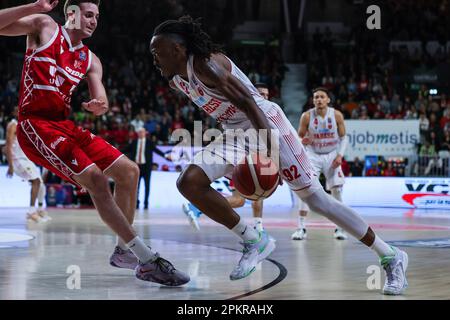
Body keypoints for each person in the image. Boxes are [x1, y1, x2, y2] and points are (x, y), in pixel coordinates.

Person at [150, 16, 408, 294]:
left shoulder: (206, 65)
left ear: (177, 50)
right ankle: (254, 240)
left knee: (317, 200)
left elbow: (250, 104)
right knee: (189, 182)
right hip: (236, 131)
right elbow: (223, 109)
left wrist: (269, 153)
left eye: (157, 52)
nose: (154, 59)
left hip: (266, 123)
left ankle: (390, 255)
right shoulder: (177, 79)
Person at [0, 0, 188, 286]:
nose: (94, 21)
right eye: (89, 14)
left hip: (65, 126)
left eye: (97, 16)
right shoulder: (44, 26)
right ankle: (147, 259)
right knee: (96, 180)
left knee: (129, 172)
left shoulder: (91, 59)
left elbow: (101, 96)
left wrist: (100, 104)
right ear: (71, 14)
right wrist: (34, 6)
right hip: (35, 125)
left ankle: (124, 252)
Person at [182, 83, 270, 232]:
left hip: (244, 155)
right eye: (261, 94)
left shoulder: (265, 111)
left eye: (267, 95)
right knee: (258, 192)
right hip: (240, 155)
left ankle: (195, 208)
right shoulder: (247, 109)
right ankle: (259, 229)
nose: (264, 97)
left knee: (240, 200)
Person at [292, 88, 348, 241]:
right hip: (313, 155)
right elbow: (299, 137)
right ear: (313, 100)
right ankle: (301, 228)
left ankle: (340, 228)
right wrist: (302, 142)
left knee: (336, 191)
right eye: (316, 97)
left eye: (322, 97)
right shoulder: (307, 116)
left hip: (331, 155)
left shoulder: (336, 115)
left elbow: (344, 138)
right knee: (305, 189)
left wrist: (340, 155)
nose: (319, 100)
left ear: (328, 100)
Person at [5, 108, 51, 223]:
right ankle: (31, 212)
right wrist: (10, 166)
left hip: (26, 159)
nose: (20, 112)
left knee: (41, 185)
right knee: (35, 180)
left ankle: (40, 209)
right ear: (14, 113)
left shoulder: (25, 126)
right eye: (17, 111)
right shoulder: (13, 125)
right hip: (17, 160)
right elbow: (8, 147)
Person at [129, 127, 166, 210]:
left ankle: (146, 203)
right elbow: (126, 149)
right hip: (136, 167)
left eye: (142, 132)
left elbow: (157, 150)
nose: (140, 133)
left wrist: (166, 156)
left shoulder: (149, 142)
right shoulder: (134, 142)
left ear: (145, 133)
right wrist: (115, 151)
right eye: (139, 132)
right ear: (137, 133)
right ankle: (137, 203)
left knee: (147, 186)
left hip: (146, 167)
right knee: (136, 187)